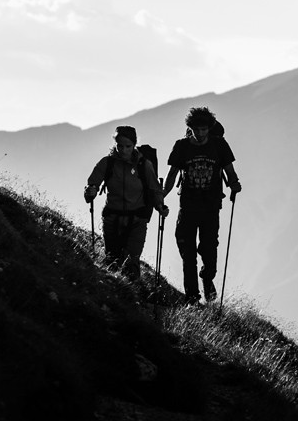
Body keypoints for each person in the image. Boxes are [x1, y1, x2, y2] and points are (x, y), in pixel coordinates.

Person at [163, 107, 241, 303]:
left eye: (203, 129)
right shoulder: (181, 146)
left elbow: (229, 170)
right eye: (196, 129)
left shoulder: (219, 145)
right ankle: (192, 296)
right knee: (187, 253)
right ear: (190, 128)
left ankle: (207, 278)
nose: (199, 133)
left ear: (209, 128)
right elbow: (172, 174)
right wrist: (161, 195)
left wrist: (234, 184)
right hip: (188, 207)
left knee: (209, 249)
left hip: (211, 207)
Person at [84, 126, 167, 281]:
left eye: (128, 146)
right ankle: (119, 295)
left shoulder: (144, 165)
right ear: (115, 144)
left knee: (131, 260)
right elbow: (92, 183)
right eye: (120, 146)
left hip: (136, 221)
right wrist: (91, 191)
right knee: (112, 259)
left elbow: (154, 189)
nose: (123, 150)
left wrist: (160, 206)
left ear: (134, 145)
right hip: (112, 219)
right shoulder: (107, 163)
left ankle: (131, 296)